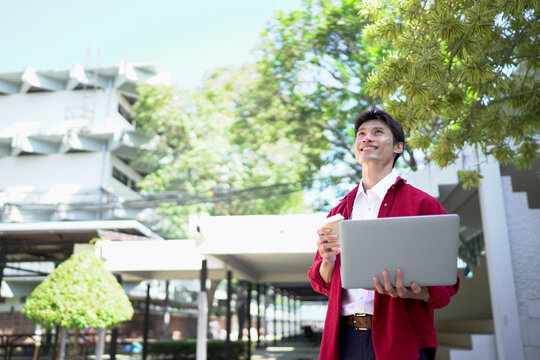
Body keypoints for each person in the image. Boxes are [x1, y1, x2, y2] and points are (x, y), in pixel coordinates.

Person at [308, 108, 460, 360]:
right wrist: (327, 260)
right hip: (343, 340)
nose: (367, 138)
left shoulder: (423, 205)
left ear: (398, 147)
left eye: (378, 132)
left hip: (401, 338)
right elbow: (322, 283)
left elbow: (447, 283)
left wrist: (416, 292)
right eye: (361, 134)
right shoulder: (338, 212)